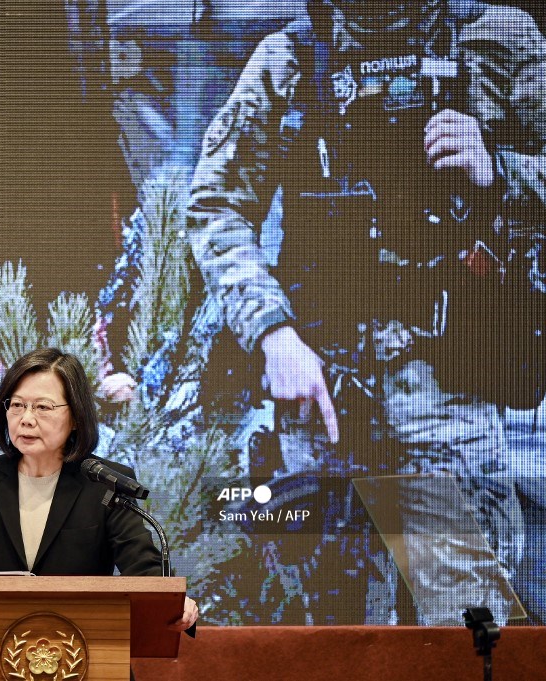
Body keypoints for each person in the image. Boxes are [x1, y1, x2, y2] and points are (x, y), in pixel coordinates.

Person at [187, 0, 545, 624]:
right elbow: (215, 206)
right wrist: (273, 333)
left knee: (465, 636)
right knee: (329, 636)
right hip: (324, 402)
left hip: (449, 404)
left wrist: (499, 167)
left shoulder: (496, 43)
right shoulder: (291, 57)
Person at [0, 348, 198, 657]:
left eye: (42, 407)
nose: (26, 419)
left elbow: (143, 570)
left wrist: (174, 603)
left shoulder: (104, 483)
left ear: (75, 416)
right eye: (17, 405)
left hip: (87, 658)